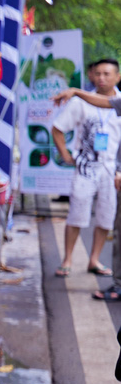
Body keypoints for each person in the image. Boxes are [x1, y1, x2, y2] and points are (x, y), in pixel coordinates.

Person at [49, 58, 121, 280]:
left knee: (106, 217)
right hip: (86, 166)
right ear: (91, 75)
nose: (102, 78)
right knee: (77, 213)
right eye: (98, 73)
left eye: (107, 74)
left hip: (112, 169)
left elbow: (107, 104)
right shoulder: (83, 102)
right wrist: (66, 155)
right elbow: (58, 128)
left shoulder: (118, 101)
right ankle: (67, 259)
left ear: (118, 76)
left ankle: (94, 260)